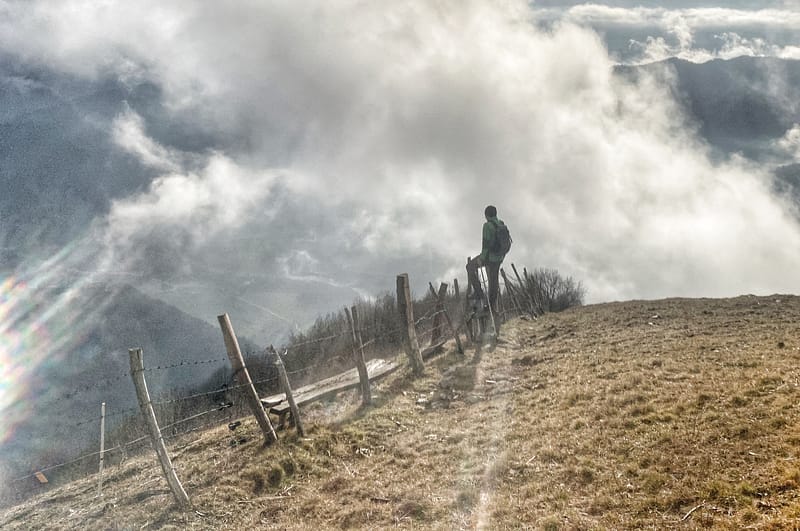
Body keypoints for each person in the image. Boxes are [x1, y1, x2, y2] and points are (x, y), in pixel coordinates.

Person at [466, 205, 507, 316]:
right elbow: (506, 244)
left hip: (489, 258)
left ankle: (479, 293)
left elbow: (486, 245)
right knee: (494, 282)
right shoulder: (501, 224)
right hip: (499, 258)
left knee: (469, 267)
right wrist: (502, 256)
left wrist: (482, 259)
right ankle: (491, 307)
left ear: (486, 215)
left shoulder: (487, 226)